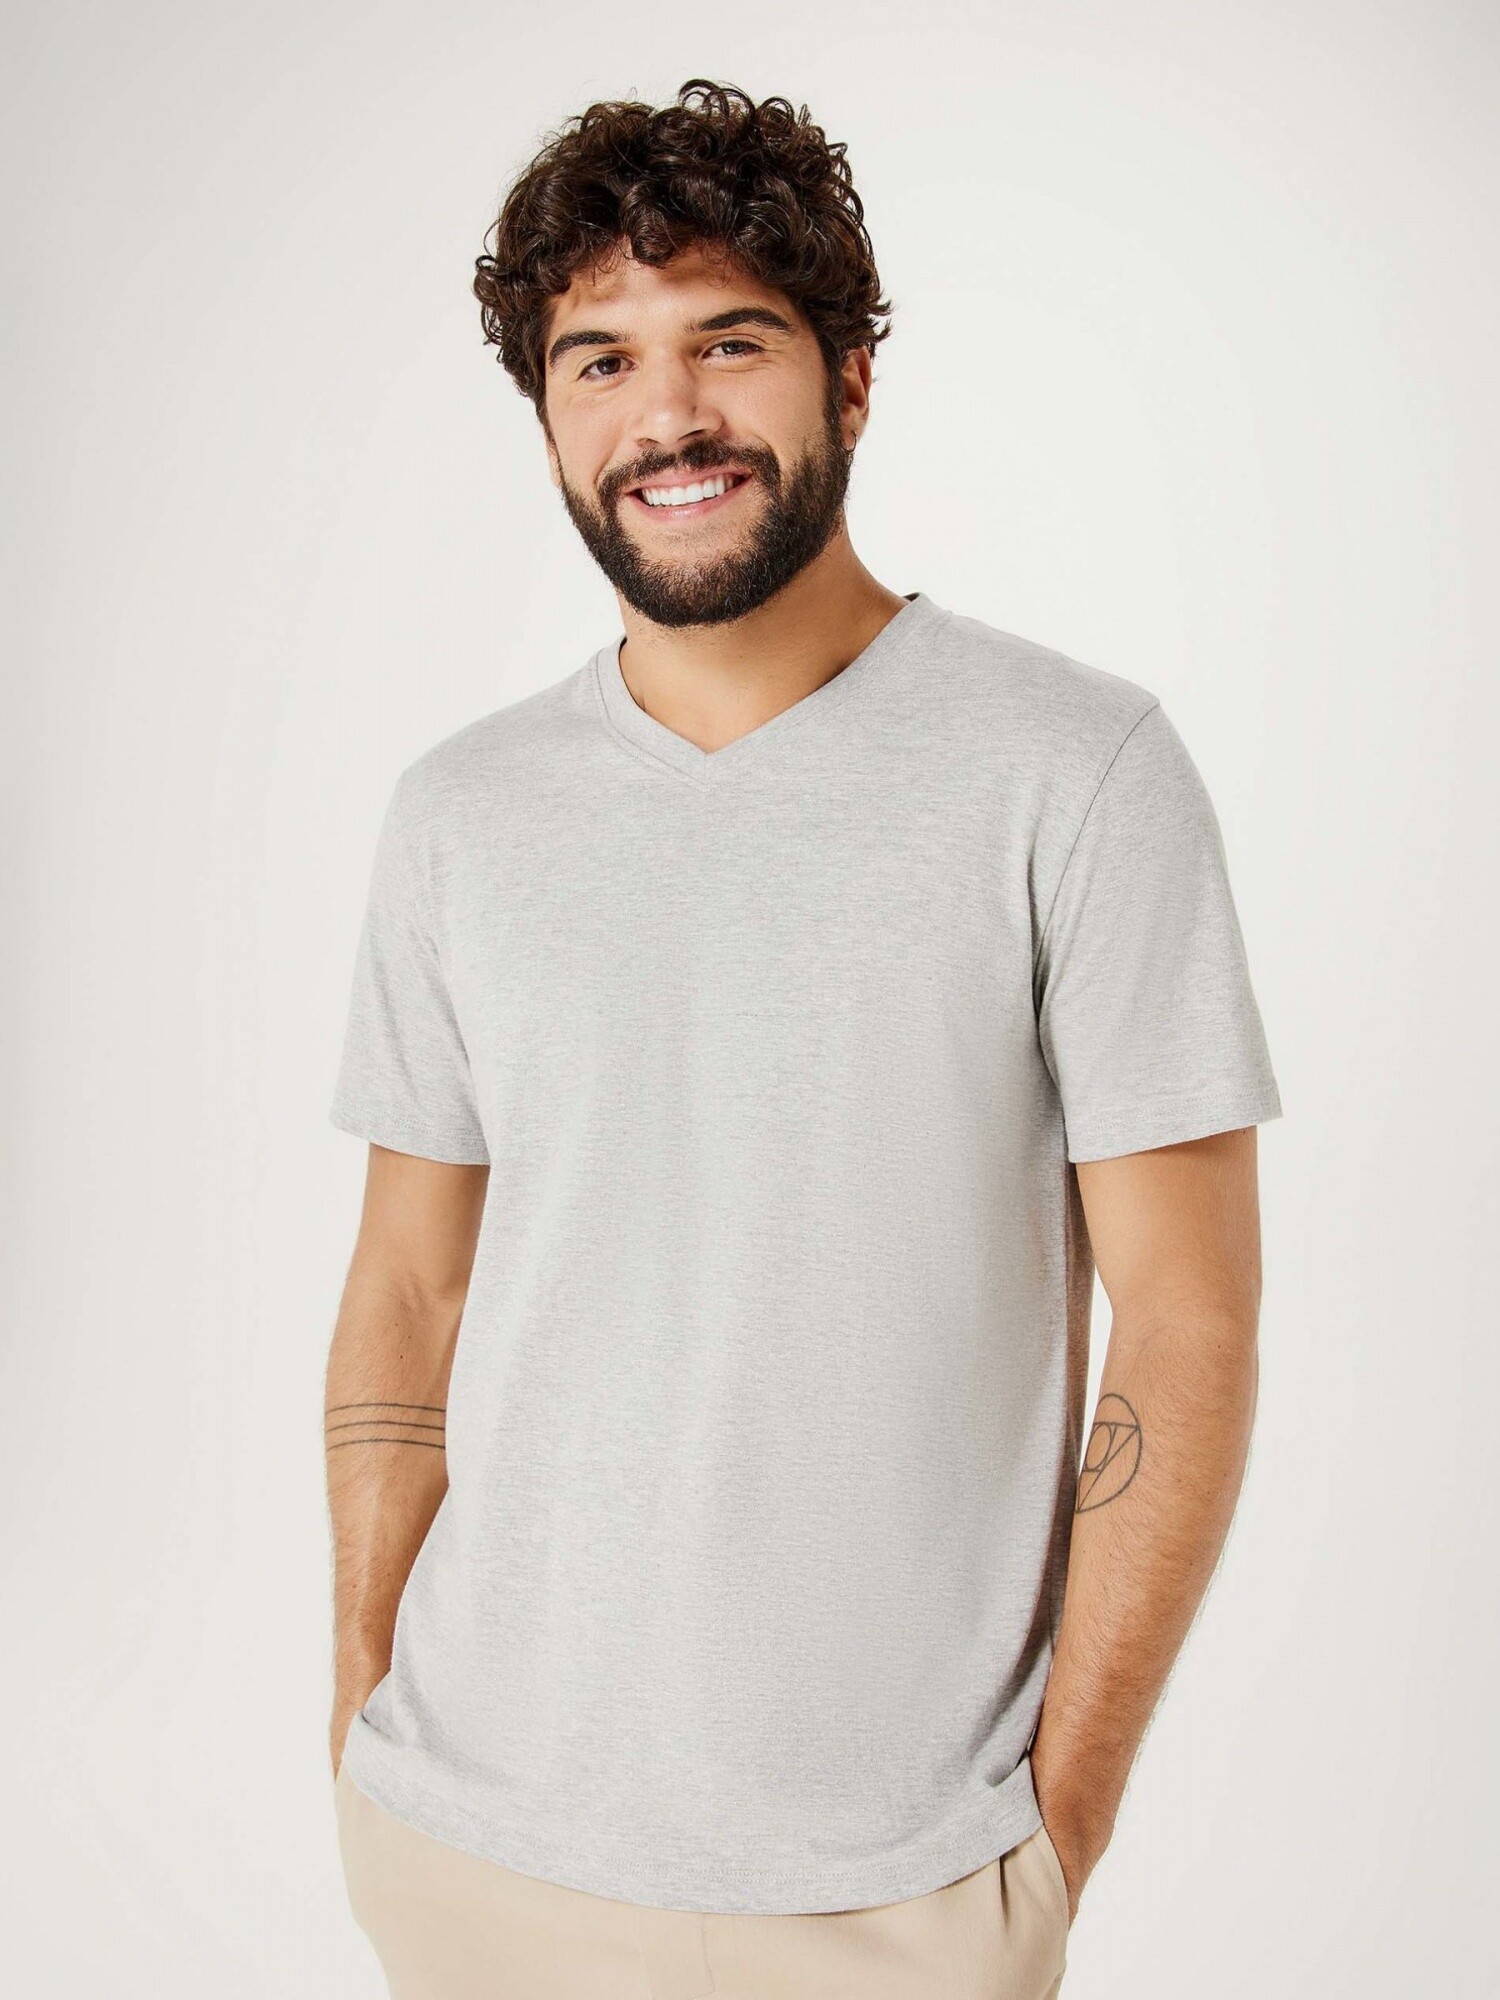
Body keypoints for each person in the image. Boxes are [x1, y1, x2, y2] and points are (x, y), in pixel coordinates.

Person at [323, 77, 1283, 2000]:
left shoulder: (1074, 771)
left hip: (902, 1889)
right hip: (466, 1847)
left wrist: (1057, 1828)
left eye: (729, 341)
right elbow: (410, 1291)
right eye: (600, 360)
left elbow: (1186, 1321)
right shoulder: (461, 815)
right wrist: (363, 1716)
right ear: (548, 420)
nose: (666, 415)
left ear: (849, 378)